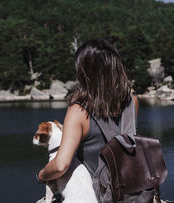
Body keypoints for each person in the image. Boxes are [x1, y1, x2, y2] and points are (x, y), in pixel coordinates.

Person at [37, 39, 138, 182]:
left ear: (84, 73)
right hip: (130, 189)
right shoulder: (132, 101)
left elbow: (61, 166)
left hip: (99, 197)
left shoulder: (78, 111)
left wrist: (41, 176)